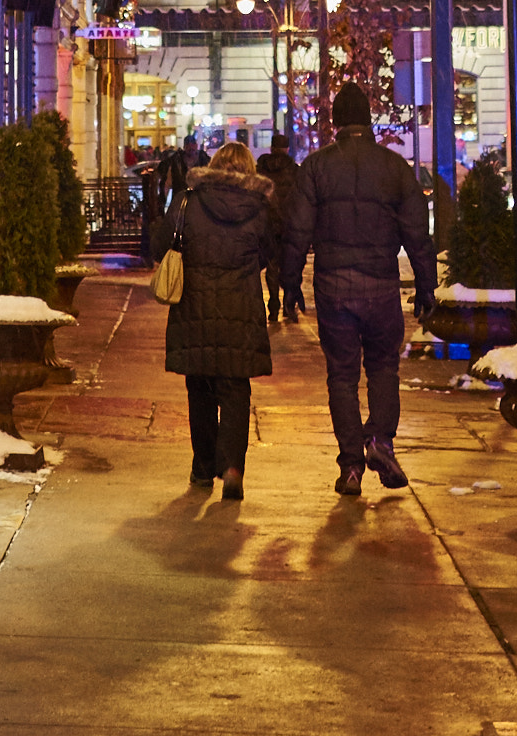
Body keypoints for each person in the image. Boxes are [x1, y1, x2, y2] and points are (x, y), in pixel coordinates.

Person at [282, 83, 436, 497]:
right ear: (368, 120)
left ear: (335, 122)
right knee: (384, 368)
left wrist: (290, 282)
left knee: (342, 376)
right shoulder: (394, 167)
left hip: (333, 288)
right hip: (382, 286)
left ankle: (351, 465)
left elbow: (297, 230)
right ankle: (379, 441)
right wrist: (426, 285)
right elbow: (417, 234)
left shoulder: (315, 168)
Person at [150, 139, 274, 501]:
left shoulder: (188, 201)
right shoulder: (260, 207)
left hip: (195, 309)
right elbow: (269, 253)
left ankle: (203, 468)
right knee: (236, 389)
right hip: (241, 310)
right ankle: (233, 466)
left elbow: (160, 246)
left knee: (200, 389)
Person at [256, 132, 302, 324]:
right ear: (287, 149)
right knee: (290, 266)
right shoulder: (294, 170)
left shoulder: (260, 169)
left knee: (272, 266)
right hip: (289, 225)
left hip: (267, 225)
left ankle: (273, 307)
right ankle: (288, 304)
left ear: (271, 148)